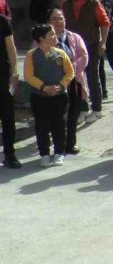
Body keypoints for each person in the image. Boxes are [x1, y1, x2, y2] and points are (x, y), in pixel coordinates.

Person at [61, 0, 110, 123]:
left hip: (92, 44)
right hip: (71, 45)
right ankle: (81, 108)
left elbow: (105, 23)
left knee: (93, 76)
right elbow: (60, 22)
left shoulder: (94, 3)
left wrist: (103, 42)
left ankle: (97, 109)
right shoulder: (66, 4)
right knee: (74, 77)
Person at [24, 24, 74, 167]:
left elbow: (70, 72)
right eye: (51, 34)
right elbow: (28, 76)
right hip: (39, 97)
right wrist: (43, 87)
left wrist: (61, 85)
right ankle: (44, 154)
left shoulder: (60, 53)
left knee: (59, 125)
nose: (55, 36)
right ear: (41, 38)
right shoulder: (31, 55)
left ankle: (59, 153)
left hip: (59, 96)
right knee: (42, 126)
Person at [49, 9, 88, 156]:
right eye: (54, 19)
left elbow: (84, 56)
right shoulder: (43, 38)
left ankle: (71, 143)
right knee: (57, 115)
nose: (58, 22)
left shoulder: (75, 37)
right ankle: (58, 145)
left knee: (73, 113)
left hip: (73, 80)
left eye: (60, 18)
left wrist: (71, 68)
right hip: (54, 82)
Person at [0, 10, 20, 168]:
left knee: (7, 116)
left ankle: (10, 154)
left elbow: (11, 48)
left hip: (2, 76)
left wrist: (14, 71)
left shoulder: (3, 21)